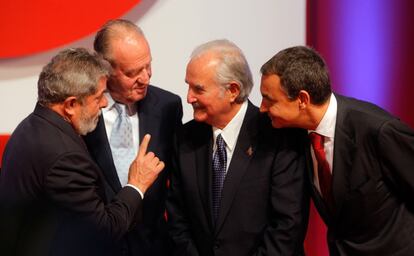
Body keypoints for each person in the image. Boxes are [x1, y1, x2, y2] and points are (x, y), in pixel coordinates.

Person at [0, 48, 164, 256]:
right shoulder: (64, 158)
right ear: (71, 104)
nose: (105, 103)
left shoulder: (31, 126)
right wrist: (137, 185)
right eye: (98, 97)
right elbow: (103, 231)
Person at [259, 45, 414, 255]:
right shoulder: (292, 133)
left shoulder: (378, 130)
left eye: (269, 99)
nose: (262, 108)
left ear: (302, 100)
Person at [166, 39, 309, 256]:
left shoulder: (280, 137)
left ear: (232, 90)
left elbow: (287, 226)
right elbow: (178, 219)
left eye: (198, 89)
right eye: (188, 85)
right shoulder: (185, 138)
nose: (189, 97)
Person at [83, 19, 183, 256]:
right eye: (133, 72)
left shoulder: (168, 107)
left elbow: (178, 186)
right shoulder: (81, 111)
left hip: (153, 246)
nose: (146, 78)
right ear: (105, 69)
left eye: (148, 66)